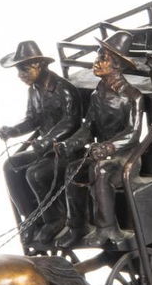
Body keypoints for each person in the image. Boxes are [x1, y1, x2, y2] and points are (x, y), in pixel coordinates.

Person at [53, 32, 142, 247]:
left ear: (117, 65)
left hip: (127, 157)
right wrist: (69, 144)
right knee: (72, 169)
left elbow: (133, 133)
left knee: (100, 171)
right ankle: (76, 226)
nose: (96, 61)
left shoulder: (132, 96)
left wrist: (108, 147)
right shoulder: (96, 94)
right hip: (100, 153)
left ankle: (108, 228)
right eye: (98, 56)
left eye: (103, 58)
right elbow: (88, 127)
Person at [0, 41, 81, 247]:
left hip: (67, 150)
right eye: (19, 70)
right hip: (43, 149)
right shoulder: (33, 90)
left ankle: (55, 219)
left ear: (39, 65)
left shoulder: (64, 90)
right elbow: (32, 119)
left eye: (24, 70)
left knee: (36, 174)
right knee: (11, 166)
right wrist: (13, 130)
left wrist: (48, 140)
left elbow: (71, 122)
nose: (20, 75)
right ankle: (31, 218)